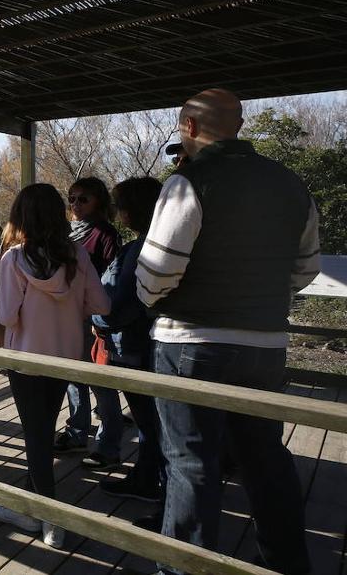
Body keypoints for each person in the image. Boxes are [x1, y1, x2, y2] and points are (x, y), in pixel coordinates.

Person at [138, 88, 320, 575]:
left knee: (192, 462)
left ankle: (184, 568)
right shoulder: (290, 184)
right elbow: (306, 269)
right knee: (264, 459)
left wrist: (151, 299)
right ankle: (286, 563)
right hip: (265, 345)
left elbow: (155, 275)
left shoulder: (188, 183)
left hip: (191, 343)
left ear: (190, 128)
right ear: (238, 126)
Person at [0, 183, 111, 549]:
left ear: (20, 217)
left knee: (36, 436)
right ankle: (30, 505)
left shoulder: (14, 259)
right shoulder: (76, 256)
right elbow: (102, 305)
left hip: (25, 360)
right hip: (66, 359)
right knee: (42, 430)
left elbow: (6, 315)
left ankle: (47, 517)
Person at [93, 177, 165, 505]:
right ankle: (150, 477)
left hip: (136, 346)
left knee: (149, 421)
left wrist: (93, 316)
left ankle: (151, 481)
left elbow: (120, 308)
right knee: (151, 420)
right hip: (151, 345)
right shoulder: (159, 244)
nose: (117, 212)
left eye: (120, 206)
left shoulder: (140, 249)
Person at [55, 177, 123, 472]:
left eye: (83, 199)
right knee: (73, 375)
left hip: (94, 316)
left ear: (99, 201)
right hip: (69, 314)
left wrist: (100, 319)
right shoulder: (65, 233)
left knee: (99, 380)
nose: (76, 205)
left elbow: (112, 278)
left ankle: (109, 445)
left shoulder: (105, 234)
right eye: (72, 199)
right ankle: (77, 431)